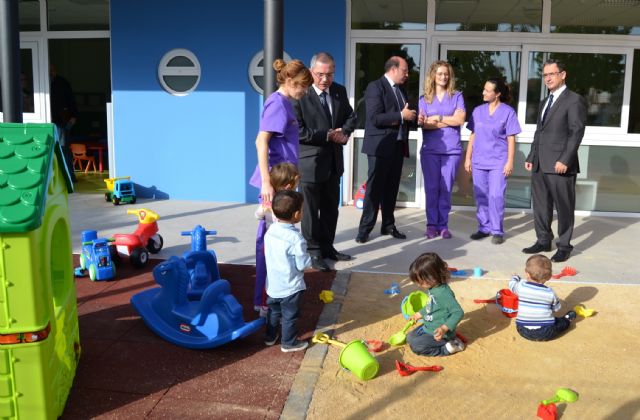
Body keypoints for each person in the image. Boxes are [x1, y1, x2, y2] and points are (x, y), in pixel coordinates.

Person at [249, 59, 312, 312]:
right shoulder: (277, 103)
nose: (304, 91)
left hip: (284, 179)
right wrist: (267, 183)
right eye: (301, 86)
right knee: (272, 243)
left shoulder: (286, 103)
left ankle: (275, 297)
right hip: (275, 182)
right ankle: (265, 302)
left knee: (280, 240)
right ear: (288, 81)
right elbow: (260, 142)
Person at [292, 52, 357, 272]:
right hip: (310, 163)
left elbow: (351, 116)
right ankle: (313, 252)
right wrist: (327, 135)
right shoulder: (301, 94)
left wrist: (345, 131)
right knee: (310, 211)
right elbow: (298, 131)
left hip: (333, 163)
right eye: (320, 74)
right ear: (311, 72)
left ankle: (328, 247)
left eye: (329, 74)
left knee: (331, 209)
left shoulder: (339, 91)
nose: (324, 79)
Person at [523, 59, 587, 263]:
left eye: (552, 74)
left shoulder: (574, 100)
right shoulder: (544, 102)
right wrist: (532, 156)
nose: (548, 78)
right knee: (541, 206)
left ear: (563, 74)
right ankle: (543, 240)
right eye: (545, 75)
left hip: (561, 165)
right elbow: (539, 132)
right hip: (540, 164)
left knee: (564, 207)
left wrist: (565, 159)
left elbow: (576, 132)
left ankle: (564, 246)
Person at [355, 56, 416, 243]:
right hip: (379, 147)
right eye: (404, 70)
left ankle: (388, 225)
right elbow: (375, 118)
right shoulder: (376, 87)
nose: (407, 74)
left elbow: (403, 117)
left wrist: (413, 117)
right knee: (374, 190)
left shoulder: (401, 90)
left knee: (391, 189)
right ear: (393, 69)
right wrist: (401, 115)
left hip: (397, 146)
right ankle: (365, 229)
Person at [464, 77, 521, 245]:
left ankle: (497, 230)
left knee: (496, 195)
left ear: (497, 94)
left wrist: (510, 161)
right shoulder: (477, 111)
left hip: (498, 161)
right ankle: (484, 227)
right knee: (480, 195)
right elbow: (472, 135)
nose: (483, 92)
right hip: (479, 160)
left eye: (487, 90)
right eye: (484, 89)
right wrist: (467, 158)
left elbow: (511, 138)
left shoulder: (508, 112)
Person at [417, 60, 466, 239]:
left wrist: (437, 118)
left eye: (446, 74)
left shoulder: (457, 96)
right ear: (433, 76)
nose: (443, 77)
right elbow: (424, 125)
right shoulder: (424, 99)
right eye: (440, 74)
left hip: (451, 151)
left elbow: (460, 120)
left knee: (446, 189)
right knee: (432, 188)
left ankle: (443, 225)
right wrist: (448, 119)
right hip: (430, 150)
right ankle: (431, 225)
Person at [263, 190, 312, 353]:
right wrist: (310, 260)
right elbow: (301, 265)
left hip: (273, 284)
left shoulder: (270, 231)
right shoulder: (296, 239)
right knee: (290, 315)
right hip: (290, 286)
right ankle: (288, 343)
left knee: (273, 311)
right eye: (302, 210)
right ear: (297, 214)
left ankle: (270, 336)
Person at [254, 163, 301, 314]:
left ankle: (269, 304)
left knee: (273, 272)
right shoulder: (280, 201)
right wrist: (264, 209)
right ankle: (265, 305)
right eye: (294, 187)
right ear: (287, 186)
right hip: (275, 244)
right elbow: (258, 215)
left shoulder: (276, 198)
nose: (295, 189)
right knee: (273, 272)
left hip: (274, 242)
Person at [406, 252, 465, 356]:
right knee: (409, 337)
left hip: (440, 333)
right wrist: (419, 314)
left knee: (416, 346)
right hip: (429, 327)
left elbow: (458, 312)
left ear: (434, 275)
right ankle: (438, 341)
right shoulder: (433, 288)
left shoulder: (443, 293)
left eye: (421, 281)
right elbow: (431, 306)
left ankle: (447, 348)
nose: (419, 284)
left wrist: (444, 328)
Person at [509, 254, 577, 341]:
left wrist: (515, 277)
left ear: (527, 274)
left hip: (522, 330)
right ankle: (567, 319)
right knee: (559, 323)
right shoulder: (550, 293)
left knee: (548, 320)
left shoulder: (521, 286)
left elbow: (512, 285)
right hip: (546, 332)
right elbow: (557, 308)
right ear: (549, 277)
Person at [50, 64, 79, 182]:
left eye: (50, 69)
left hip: (61, 122)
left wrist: (74, 116)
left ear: (54, 69)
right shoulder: (43, 82)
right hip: (46, 121)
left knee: (64, 149)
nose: (49, 71)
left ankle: (69, 177)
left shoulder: (62, 83)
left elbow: (71, 99)